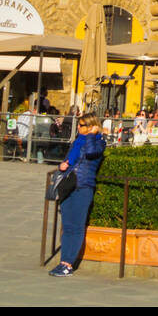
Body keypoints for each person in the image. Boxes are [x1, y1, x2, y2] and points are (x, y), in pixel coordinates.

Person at [49, 114, 107, 276]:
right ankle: (63, 261)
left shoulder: (99, 142)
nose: (78, 128)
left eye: (82, 125)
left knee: (76, 226)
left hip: (83, 186)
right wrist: (64, 164)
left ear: (91, 126)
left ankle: (68, 264)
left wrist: (90, 135)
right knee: (67, 226)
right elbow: (70, 159)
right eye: (79, 125)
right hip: (68, 186)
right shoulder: (77, 141)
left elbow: (90, 153)